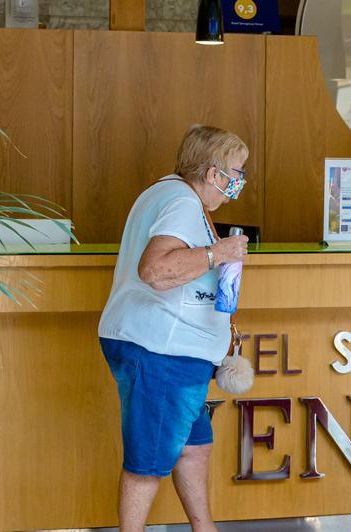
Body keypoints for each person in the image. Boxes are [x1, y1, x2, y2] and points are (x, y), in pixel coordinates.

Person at [97, 125, 251, 531]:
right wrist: (219, 253)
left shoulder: (170, 194)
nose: (238, 183)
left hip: (169, 352)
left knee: (193, 448)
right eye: (235, 173)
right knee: (147, 462)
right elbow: (156, 269)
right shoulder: (182, 202)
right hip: (162, 352)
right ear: (212, 172)